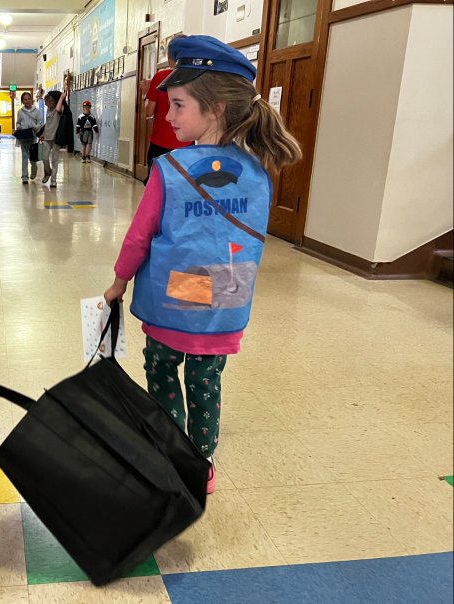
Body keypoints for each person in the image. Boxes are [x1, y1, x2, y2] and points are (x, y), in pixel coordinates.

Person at [103, 35, 301, 495]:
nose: (168, 117)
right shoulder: (257, 170)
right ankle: (203, 462)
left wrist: (117, 283)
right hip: (227, 298)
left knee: (162, 368)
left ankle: (172, 457)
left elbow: (139, 237)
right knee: (206, 378)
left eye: (177, 105)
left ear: (214, 109)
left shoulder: (170, 169)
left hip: (174, 300)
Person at [140, 34, 193, 184]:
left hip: (160, 144)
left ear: (169, 55)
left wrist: (146, 92)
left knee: (156, 187)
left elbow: (148, 112)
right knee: (183, 186)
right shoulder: (197, 78)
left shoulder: (160, 77)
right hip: (186, 144)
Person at [39, 88, 68, 188]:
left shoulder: (60, 108)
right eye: (48, 101)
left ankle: (53, 180)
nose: (49, 103)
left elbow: (58, 109)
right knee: (44, 158)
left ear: (56, 101)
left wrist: (62, 97)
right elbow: (48, 123)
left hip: (56, 138)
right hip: (47, 137)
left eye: (52, 101)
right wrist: (43, 133)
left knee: (55, 160)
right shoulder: (48, 110)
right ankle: (48, 172)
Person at [14, 91, 43, 184]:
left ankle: (34, 169)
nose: (27, 101)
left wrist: (36, 127)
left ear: (31, 99)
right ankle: (24, 176)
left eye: (28, 99)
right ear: (22, 101)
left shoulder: (37, 111)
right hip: (23, 136)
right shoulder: (20, 112)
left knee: (32, 156)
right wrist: (18, 127)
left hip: (33, 136)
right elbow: (18, 122)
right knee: (24, 155)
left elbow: (40, 123)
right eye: (25, 99)